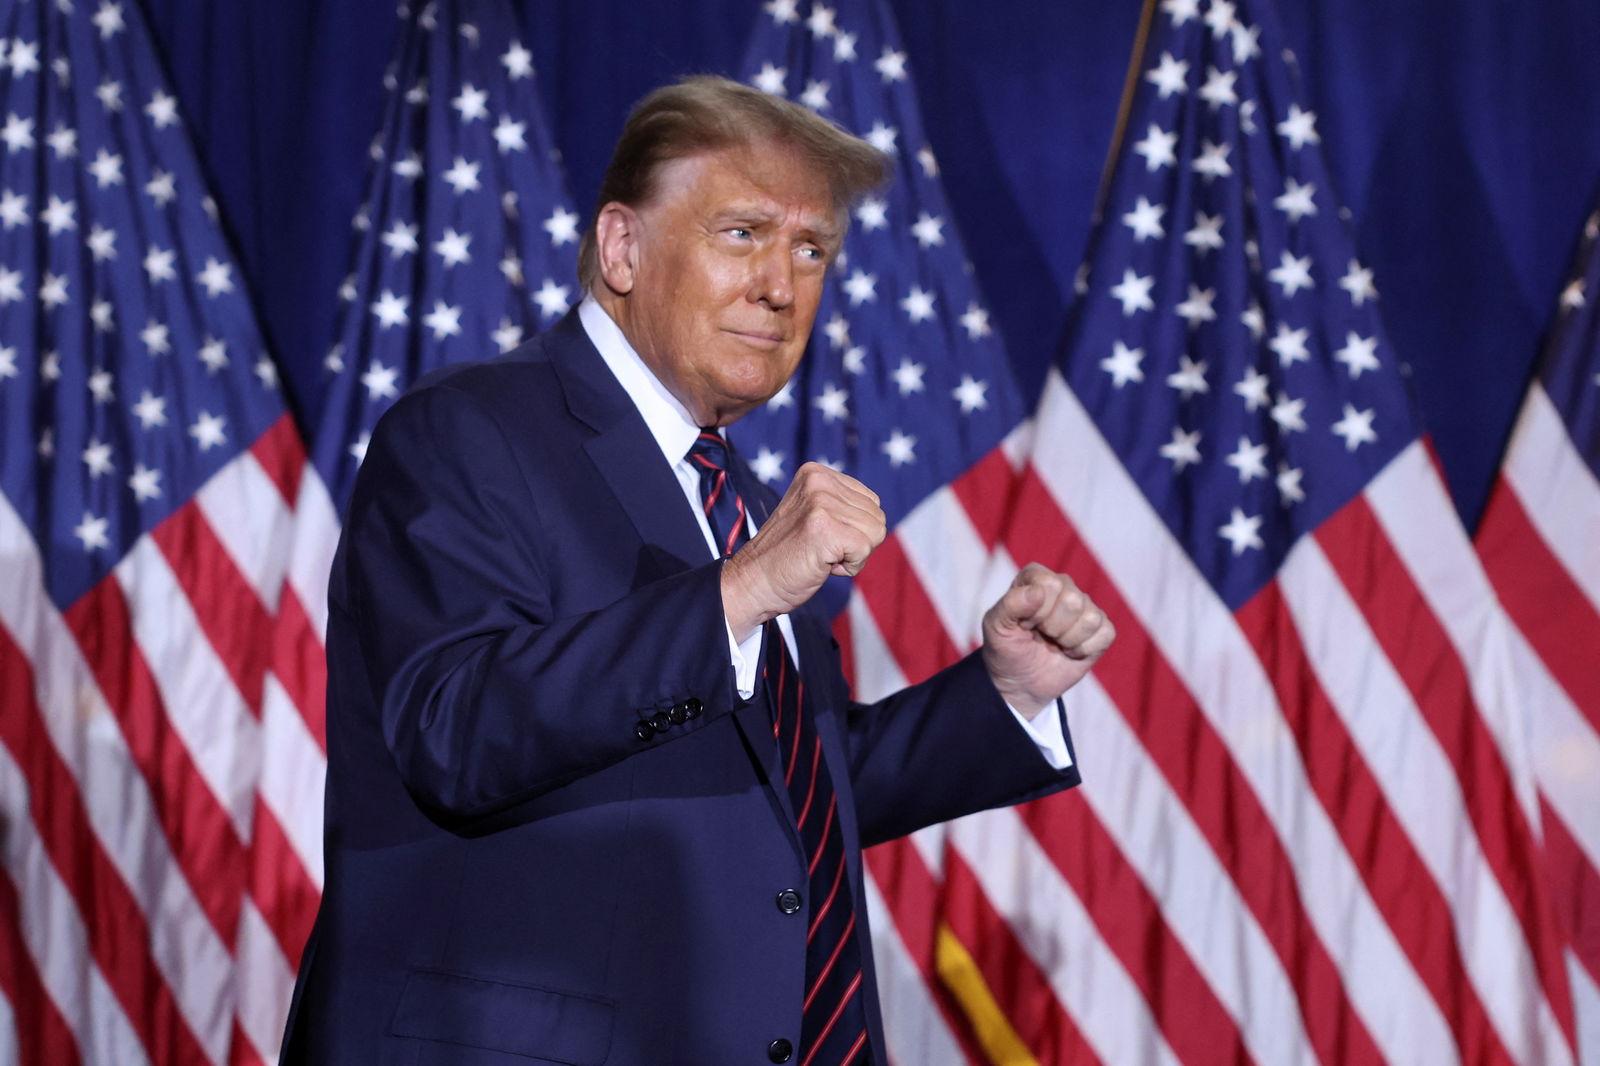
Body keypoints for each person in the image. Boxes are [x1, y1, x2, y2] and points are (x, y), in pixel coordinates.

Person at [281, 75, 1114, 1066]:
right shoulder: (466, 429)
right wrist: (741, 590)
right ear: (622, 248)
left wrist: (1001, 696)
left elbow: (784, 784)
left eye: (813, 250)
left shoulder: (726, 485)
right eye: (742, 233)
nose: (781, 284)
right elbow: (456, 727)